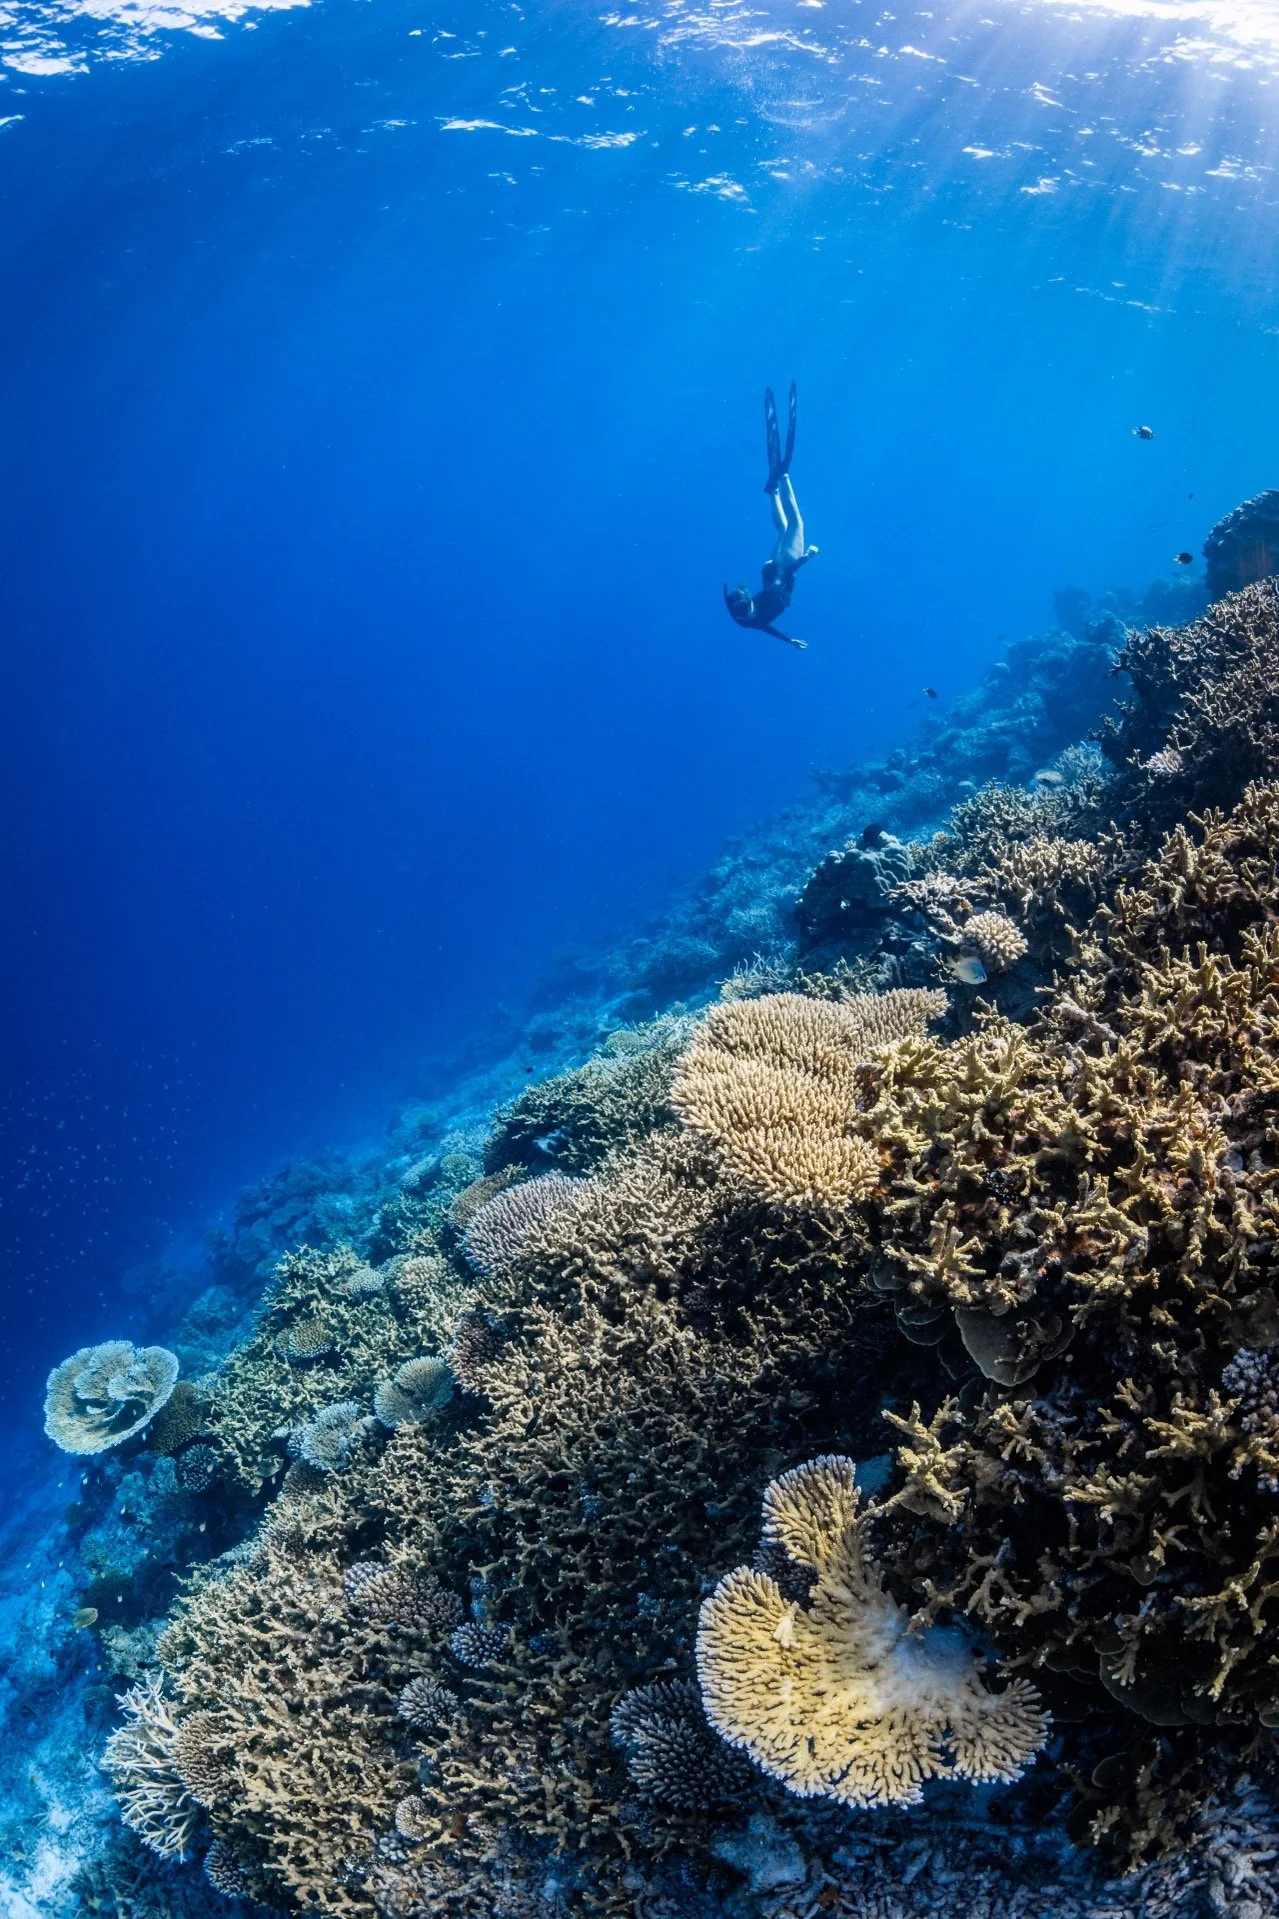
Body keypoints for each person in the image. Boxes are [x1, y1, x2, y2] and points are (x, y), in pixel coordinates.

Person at [723, 382, 818, 650]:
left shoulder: (770, 599)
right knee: (783, 529)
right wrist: (789, 640)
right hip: (769, 569)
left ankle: (783, 477)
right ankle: (772, 493)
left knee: (797, 523)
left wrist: (808, 557)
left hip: (780, 569)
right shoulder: (744, 620)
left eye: (748, 610)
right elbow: (765, 627)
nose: (750, 614)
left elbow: (786, 571)